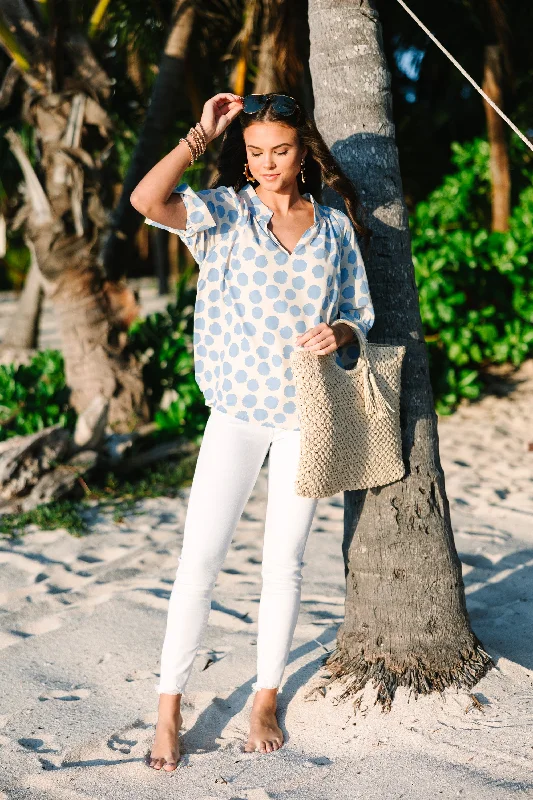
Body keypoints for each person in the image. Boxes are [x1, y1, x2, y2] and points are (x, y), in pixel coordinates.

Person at [130, 91, 375, 770]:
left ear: (303, 153)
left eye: (281, 150)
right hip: (234, 415)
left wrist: (344, 329)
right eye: (256, 152)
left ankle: (264, 697)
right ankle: (168, 707)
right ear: (244, 156)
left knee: (284, 565)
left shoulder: (331, 227)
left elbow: (361, 308)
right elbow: (147, 202)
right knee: (199, 563)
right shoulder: (224, 214)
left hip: (304, 415)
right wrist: (199, 137)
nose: (268, 163)